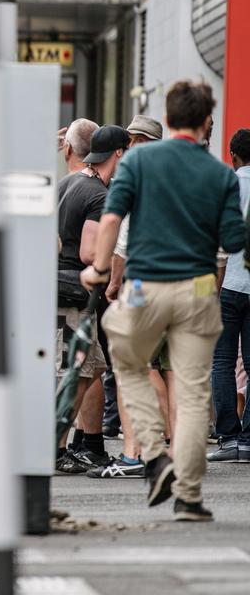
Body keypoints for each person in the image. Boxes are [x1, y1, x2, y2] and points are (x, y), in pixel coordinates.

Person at [82, 79, 244, 522]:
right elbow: (232, 241)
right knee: (192, 393)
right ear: (206, 120)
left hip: (145, 286)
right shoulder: (220, 175)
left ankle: (153, 453)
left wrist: (98, 269)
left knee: (124, 355)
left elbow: (112, 218)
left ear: (169, 120)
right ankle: (189, 496)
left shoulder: (139, 162)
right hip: (197, 291)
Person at [87, 115, 163, 479]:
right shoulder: (173, 178)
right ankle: (170, 449)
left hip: (140, 285)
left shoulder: (136, 181)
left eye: (133, 142)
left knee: (135, 368)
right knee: (170, 372)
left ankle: (138, 454)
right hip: (179, 286)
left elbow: (120, 242)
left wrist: (110, 282)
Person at [55, 124, 128, 474]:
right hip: (77, 293)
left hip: (59, 287)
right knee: (78, 371)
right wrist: (113, 263)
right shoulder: (99, 194)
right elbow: (88, 252)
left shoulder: (67, 183)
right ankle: (54, 446)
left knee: (92, 367)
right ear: (118, 153)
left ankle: (67, 444)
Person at [207, 128, 250, 463]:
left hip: (226, 284)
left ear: (233, 156)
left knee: (221, 361)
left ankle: (228, 438)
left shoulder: (227, 185)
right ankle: (249, 439)